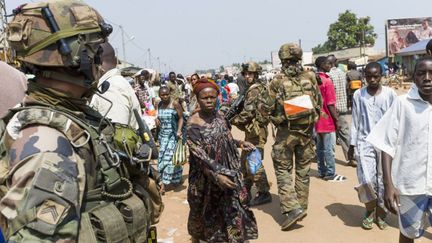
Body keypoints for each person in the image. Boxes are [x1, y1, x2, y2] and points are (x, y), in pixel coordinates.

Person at [0, 1, 156, 241]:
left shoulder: (74, 117)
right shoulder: (48, 142)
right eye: (95, 47)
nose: (98, 57)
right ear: (76, 54)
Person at [366, 57, 432, 243]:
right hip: (411, 186)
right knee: (407, 234)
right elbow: (386, 146)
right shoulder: (403, 104)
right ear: (413, 77)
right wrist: (388, 186)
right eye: (421, 73)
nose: (427, 78)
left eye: (431, 74)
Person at [186, 78, 258, 243]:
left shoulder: (220, 116)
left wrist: (240, 143)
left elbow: (224, 139)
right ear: (198, 99)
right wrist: (217, 175)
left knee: (235, 206)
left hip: (229, 170)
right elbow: (200, 155)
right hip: (206, 177)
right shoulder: (193, 124)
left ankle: (236, 237)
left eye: (213, 97)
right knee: (205, 210)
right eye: (205, 98)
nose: (209, 101)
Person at [268, 43, 322, 230]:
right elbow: (318, 104)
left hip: (285, 134)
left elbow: (267, 108)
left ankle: (292, 209)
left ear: (283, 60)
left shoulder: (277, 81)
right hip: (306, 133)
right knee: (303, 172)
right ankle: (301, 205)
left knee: (283, 170)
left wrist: (277, 117)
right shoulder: (311, 77)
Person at [348, 62, 397, 230]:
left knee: (384, 181)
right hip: (364, 142)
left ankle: (382, 213)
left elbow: (396, 120)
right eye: (369, 76)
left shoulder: (390, 94)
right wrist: (352, 144)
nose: (373, 79)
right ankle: (369, 210)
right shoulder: (358, 95)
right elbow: (355, 120)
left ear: (381, 76)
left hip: (385, 144)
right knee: (366, 180)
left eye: (376, 76)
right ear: (365, 76)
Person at [231, 61, 272, 206]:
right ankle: (245, 190)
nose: (247, 76)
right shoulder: (254, 88)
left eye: (250, 74)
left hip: (257, 131)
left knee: (253, 162)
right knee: (245, 161)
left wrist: (232, 120)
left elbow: (248, 113)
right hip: (253, 131)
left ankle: (264, 192)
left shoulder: (254, 90)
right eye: (246, 74)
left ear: (256, 74)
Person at [90, 42, 141, 129]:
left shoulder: (111, 88)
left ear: (97, 64)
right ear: (116, 60)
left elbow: (116, 136)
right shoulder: (114, 83)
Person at [314, 56, 346, 181]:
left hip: (317, 120)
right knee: (329, 148)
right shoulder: (327, 81)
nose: (330, 65)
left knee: (320, 148)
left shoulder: (314, 80)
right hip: (327, 120)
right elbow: (330, 103)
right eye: (328, 63)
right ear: (322, 64)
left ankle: (321, 170)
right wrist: (336, 120)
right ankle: (331, 172)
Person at [327, 55, 354, 167]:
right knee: (345, 133)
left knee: (328, 135)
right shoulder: (343, 74)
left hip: (332, 108)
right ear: (336, 62)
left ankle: (328, 161)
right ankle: (351, 157)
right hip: (342, 107)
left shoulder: (328, 75)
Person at [157, 86, 184, 194]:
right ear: (159, 96)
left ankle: (163, 185)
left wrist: (179, 131)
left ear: (170, 94)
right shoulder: (159, 104)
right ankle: (177, 178)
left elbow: (181, 118)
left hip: (173, 135)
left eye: (167, 94)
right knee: (162, 158)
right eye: (162, 95)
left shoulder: (175, 104)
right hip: (163, 136)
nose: (165, 96)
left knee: (168, 160)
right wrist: (157, 120)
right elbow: (159, 116)